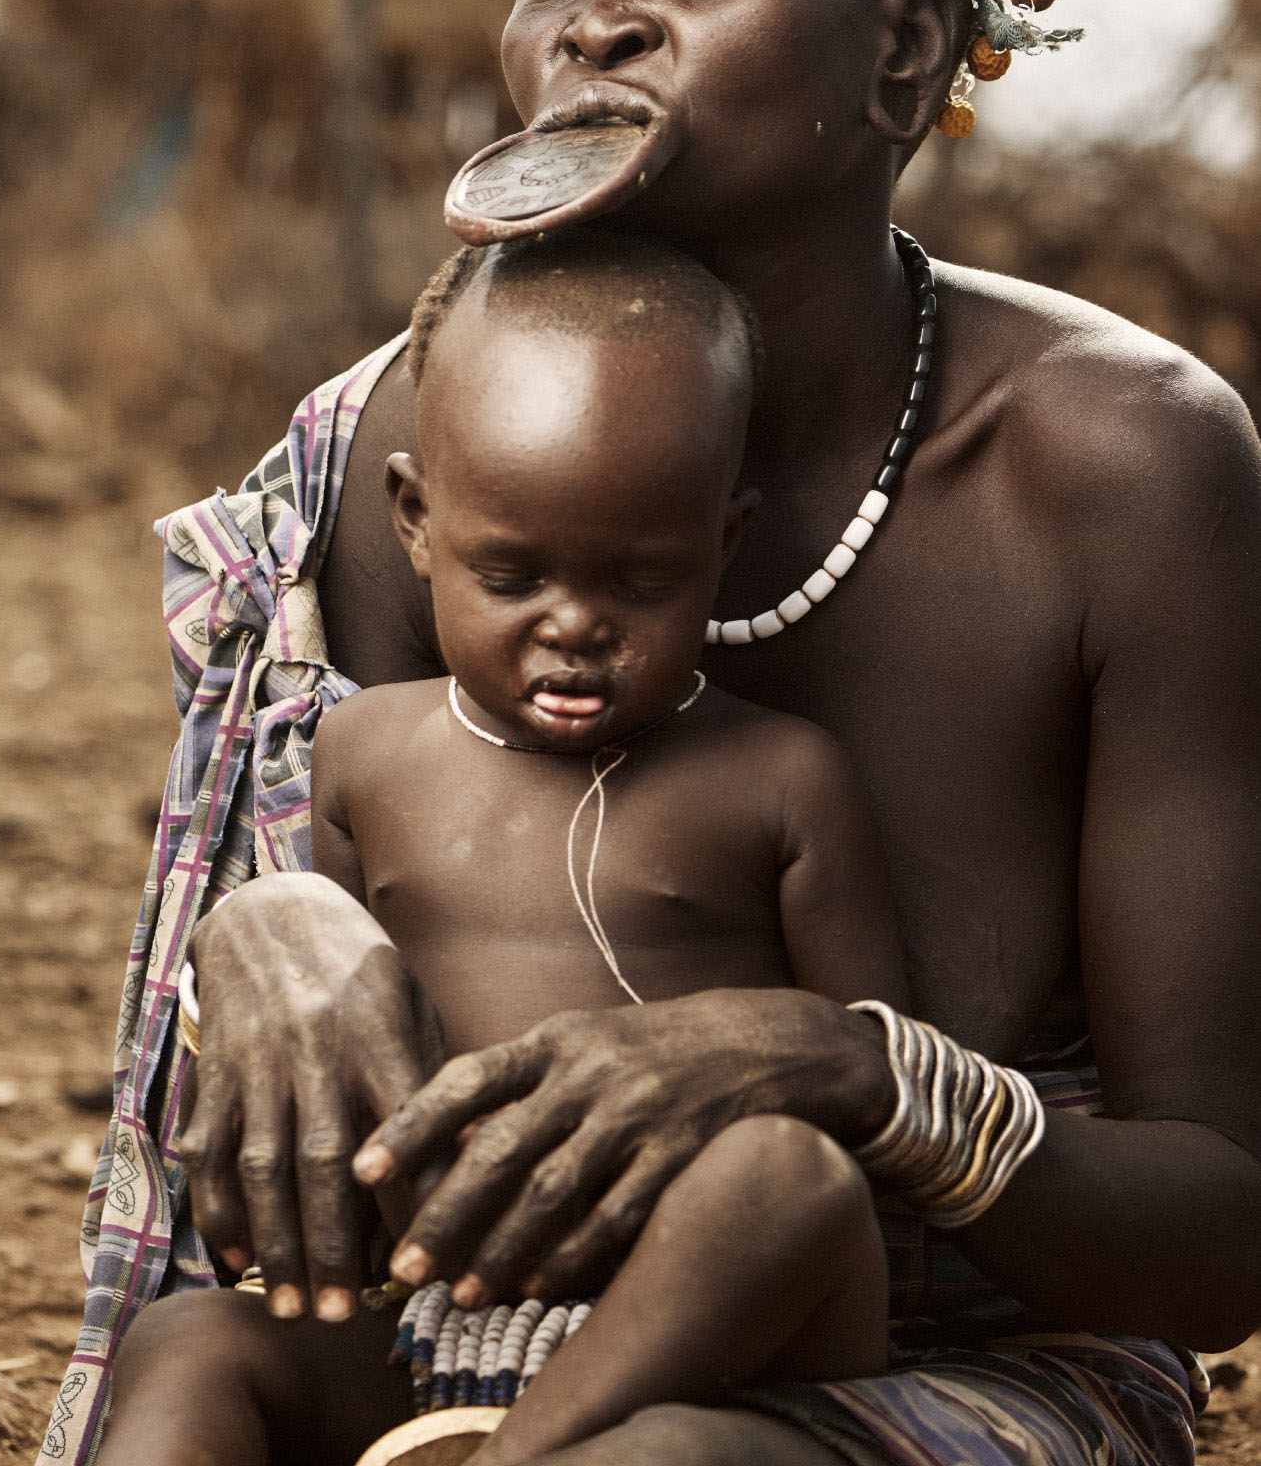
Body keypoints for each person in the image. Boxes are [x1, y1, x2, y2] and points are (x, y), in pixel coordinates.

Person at [0, 0, 1255, 1466]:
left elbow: (1215, 1233)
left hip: (941, 1355)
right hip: (464, 1336)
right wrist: (267, 929)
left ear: (905, 57)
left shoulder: (1111, 470)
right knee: (192, 1394)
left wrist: (853, 1073)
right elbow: (282, 1139)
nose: (592, 20)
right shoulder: (389, 444)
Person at [100, 230, 931, 1466]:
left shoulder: (780, 777)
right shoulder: (364, 753)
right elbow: (324, 1043)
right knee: (189, 1344)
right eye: (512, 573)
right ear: (415, 520)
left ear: (725, 539)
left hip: (704, 1338)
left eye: (641, 581)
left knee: (784, 1176)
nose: (575, 628)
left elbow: (881, 1090)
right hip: (432, 1313)